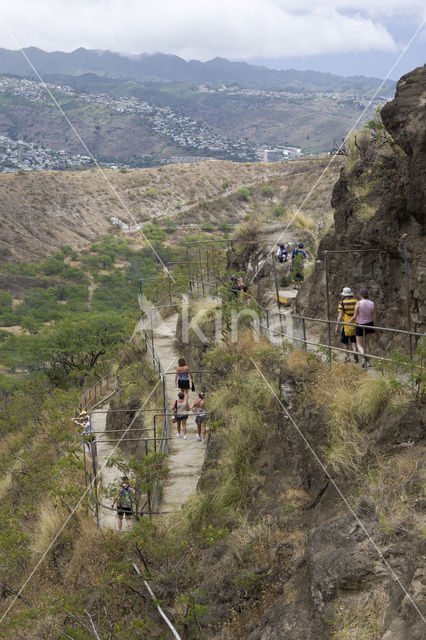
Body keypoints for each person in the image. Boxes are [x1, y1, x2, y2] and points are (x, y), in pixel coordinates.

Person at [350, 288, 377, 368]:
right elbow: (375, 316)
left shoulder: (358, 303)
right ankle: (368, 362)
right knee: (367, 344)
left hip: (360, 324)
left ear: (360, 295)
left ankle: (363, 357)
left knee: (359, 344)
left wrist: (349, 321)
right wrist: (376, 325)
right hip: (369, 324)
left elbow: (355, 316)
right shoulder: (372, 303)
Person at [335, 287, 359, 363]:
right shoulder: (356, 301)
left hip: (346, 325)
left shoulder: (341, 303)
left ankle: (347, 357)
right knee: (353, 340)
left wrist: (337, 326)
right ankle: (355, 351)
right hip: (355, 324)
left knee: (345, 341)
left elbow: (340, 316)